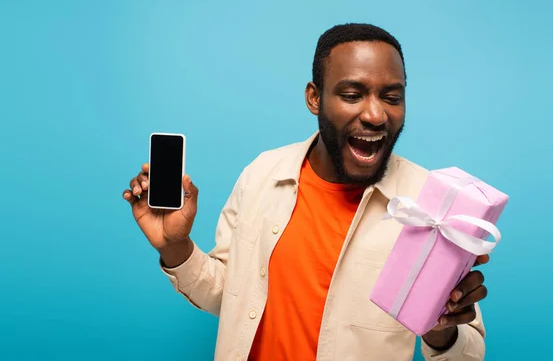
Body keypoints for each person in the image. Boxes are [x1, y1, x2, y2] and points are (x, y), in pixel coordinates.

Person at [123, 23, 489, 361]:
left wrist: (441, 332)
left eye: (392, 97)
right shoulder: (263, 173)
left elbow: (468, 352)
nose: (376, 114)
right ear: (314, 98)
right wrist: (175, 246)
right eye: (352, 94)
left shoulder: (433, 205)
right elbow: (227, 295)